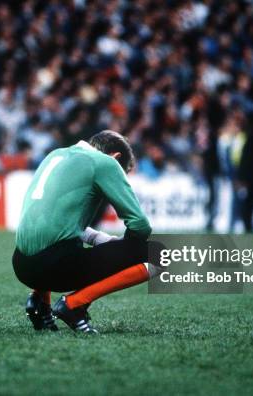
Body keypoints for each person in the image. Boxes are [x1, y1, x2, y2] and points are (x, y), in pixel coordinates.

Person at [12, 130, 162, 334]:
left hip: (21, 264)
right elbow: (140, 225)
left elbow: (59, 222)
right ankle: (74, 305)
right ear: (116, 157)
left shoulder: (56, 154)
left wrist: (105, 243)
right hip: (54, 266)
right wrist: (125, 251)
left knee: (59, 242)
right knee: (160, 254)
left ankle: (39, 301)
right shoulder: (104, 163)